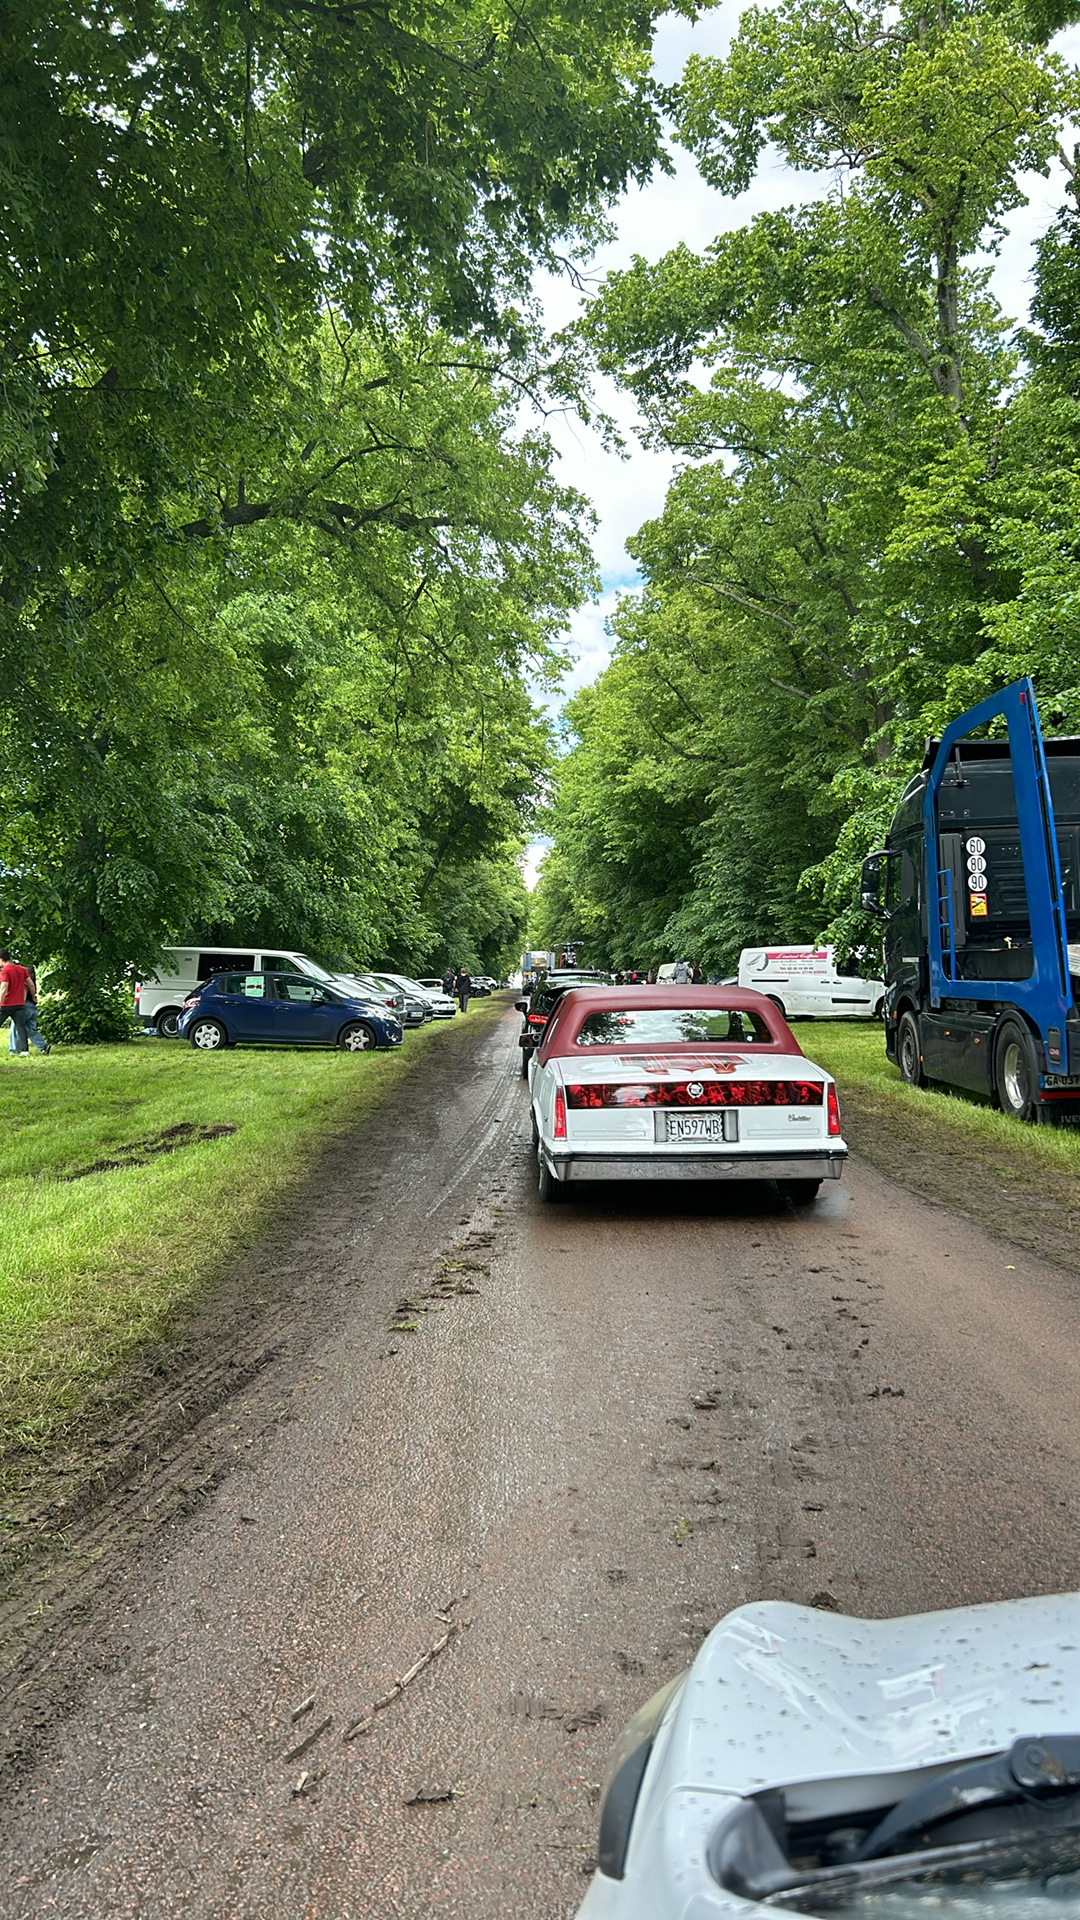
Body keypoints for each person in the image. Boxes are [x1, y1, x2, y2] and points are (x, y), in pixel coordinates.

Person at [0, 948, 38, 1055]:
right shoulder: (21, 970)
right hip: (19, 1004)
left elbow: (4, 988)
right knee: (20, 1027)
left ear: (1, 959)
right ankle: (24, 1051)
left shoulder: (5, 971)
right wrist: (33, 996)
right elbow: (31, 984)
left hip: (6, 1004)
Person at [8, 962, 50, 1055]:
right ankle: (43, 1046)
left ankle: (15, 1050)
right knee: (30, 1030)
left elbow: (23, 995)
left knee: (15, 1027)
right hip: (33, 1008)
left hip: (24, 1007)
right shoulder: (32, 982)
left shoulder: (24, 982)